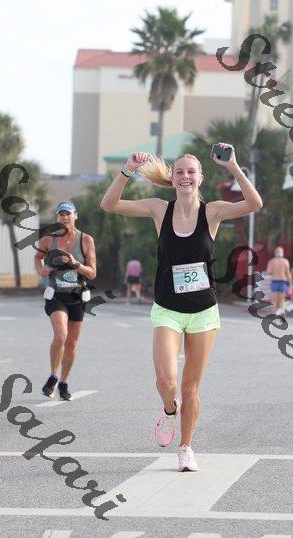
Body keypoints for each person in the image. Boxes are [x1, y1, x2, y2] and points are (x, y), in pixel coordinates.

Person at [100, 145, 262, 471]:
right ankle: (168, 410)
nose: (185, 176)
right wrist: (128, 170)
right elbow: (110, 204)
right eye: (179, 172)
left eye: (191, 172)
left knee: (190, 388)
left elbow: (254, 203)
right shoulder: (159, 209)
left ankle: (186, 447)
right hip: (168, 308)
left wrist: (233, 166)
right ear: (172, 179)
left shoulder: (213, 212)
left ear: (200, 178)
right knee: (166, 382)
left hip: (203, 312)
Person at [35, 201, 96, 400]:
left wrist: (75, 263)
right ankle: (53, 376)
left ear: (75, 215)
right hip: (56, 295)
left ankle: (63, 382)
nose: (64, 217)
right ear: (57, 218)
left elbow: (92, 273)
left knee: (71, 343)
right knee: (61, 336)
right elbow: (38, 258)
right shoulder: (48, 239)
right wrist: (42, 269)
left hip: (77, 296)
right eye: (61, 214)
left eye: (68, 214)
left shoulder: (86, 240)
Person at [266, 247, 292, 316]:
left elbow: (268, 272)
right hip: (283, 282)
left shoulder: (271, 261)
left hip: (274, 282)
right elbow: (288, 273)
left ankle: (274, 315)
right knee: (282, 300)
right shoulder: (286, 261)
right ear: (282, 253)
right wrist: (290, 284)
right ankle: (282, 315)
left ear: (275, 253)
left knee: (274, 301)